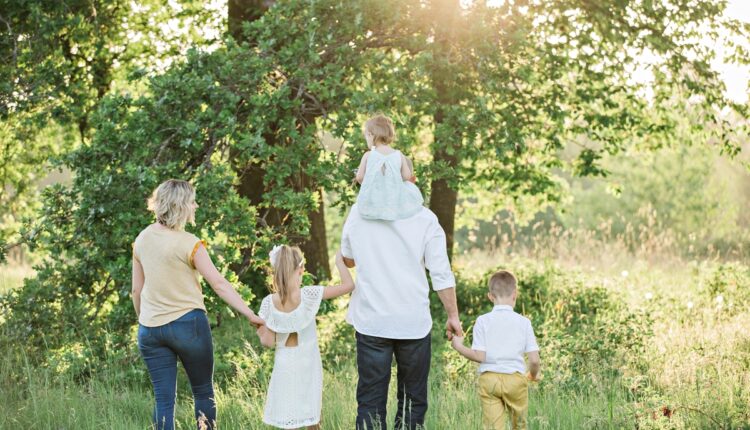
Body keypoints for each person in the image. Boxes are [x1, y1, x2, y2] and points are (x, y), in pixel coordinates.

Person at [131, 179, 264, 430]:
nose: (196, 206)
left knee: (163, 399)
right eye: (192, 201)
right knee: (203, 391)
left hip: (150, 329)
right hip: (188, 325)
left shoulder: (141, 239)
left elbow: (136, 290)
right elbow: (219, 283)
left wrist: (144, 320)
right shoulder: (189, 242)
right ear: (180, 206)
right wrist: (249, 313)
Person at [340, 200, 462, 429]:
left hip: (372, 320)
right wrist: (452, 315)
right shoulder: (425, 218)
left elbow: (348, 259)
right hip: (412, 321)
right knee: (412, 400)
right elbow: (441, 272)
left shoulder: (359, 212)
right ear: (411, 181)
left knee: (370, 401)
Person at [256, 246, 355, 429]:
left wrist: (261, 330)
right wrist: (339, 261)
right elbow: (349, 286)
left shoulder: (269, 303)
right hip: (308, 363)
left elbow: (268, 343)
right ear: (301, 269)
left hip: (284, 364)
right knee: (312, 418)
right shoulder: (309, 295)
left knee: (288, 418)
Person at [450, 270, 541, 430]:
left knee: (493, 427)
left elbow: (479, 356)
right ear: (515, 294)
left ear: (490, 296)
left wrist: (459, 346)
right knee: (519, 425)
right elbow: (534, 360)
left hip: (489, 380)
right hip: (515, 380)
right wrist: (532, 375)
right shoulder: (524, 322)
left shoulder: (482, 321)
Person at [354, 114, 424, 221]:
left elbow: (359, 177)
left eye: (366, 137)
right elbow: (406, 176)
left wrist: (372, 182)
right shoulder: (399, 154)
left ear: (370, 135)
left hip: (374, 198)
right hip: (393, 199)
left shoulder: (368, 155)